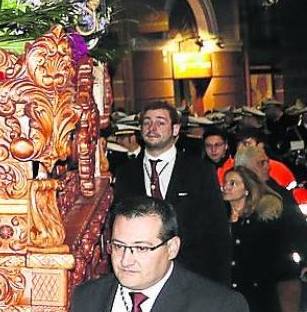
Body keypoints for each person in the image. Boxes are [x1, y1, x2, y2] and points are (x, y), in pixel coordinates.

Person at [112, 100, 231, 282]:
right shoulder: (126, 173)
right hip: (141, 275)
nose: (152, 127)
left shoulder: (200, 171)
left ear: (175, 130)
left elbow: (218, 231)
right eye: (147, 122)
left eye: (160, 122)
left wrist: (221, 282)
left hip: (192, 274)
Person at [69, 195, 247, 312]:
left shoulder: (219, 306)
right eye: (118, 246)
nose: (126, 260)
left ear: (172, 248)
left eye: (141, 248)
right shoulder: (86, 298)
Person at [221, 166, 297, 312]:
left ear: (247, 190)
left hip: (256, 291)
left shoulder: (260, 221)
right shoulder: (219, 218)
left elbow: (274, 254)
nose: (226, 187)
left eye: (233, 183)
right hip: (227, 289)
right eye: (225, 182)